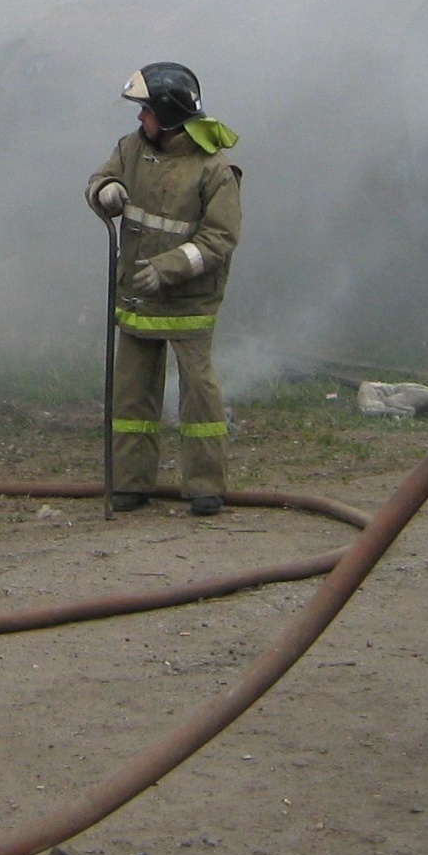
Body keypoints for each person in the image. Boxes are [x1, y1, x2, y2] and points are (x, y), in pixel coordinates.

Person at [85, 62, 241, 516]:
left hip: (189, 301)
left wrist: (169, 268)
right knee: (132, 396)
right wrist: (106, 190)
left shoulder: (214, 169)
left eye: (146, 111)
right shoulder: (131, 149)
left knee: (199, 394)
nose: (139, 119)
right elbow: (97, 180)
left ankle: (206, 486)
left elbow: (220, 238)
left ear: (168, 115)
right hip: (138, 296)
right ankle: (131, 483)